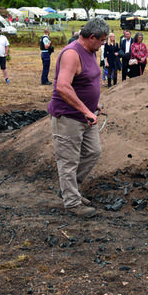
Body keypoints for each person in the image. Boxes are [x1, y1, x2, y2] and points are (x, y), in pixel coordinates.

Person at [47, 18, 109, 217]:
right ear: (92, 37)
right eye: (102, 40)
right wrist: (85, 110)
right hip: (68, 117)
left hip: (85, 116)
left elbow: (86, 81)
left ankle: (69, 190)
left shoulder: (90, 51)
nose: (103, 44)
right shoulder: (72, 54)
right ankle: (72, 203)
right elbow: (63, 86)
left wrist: (93, 105)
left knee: (93, 152)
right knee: (68, 161)